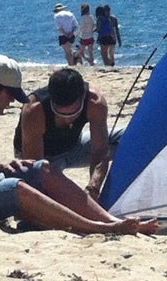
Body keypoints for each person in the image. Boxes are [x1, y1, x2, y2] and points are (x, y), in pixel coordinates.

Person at [0, 54, 157, 235]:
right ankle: (98, 228)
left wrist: (4, 166)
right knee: (16, 187)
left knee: (42, 168)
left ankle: (108, 219)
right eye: (9, 95)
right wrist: (2, 170)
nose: (11, 103)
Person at [13, 67, 122, 200]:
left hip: (74, 146)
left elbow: (99, 150)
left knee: (127, 136)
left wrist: (93, 187)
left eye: (73, 114)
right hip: (44, 158)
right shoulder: (34, 109)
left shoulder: (95, 102)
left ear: (82, 97)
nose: (67, 119)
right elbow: (36, 168)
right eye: (59, 114)